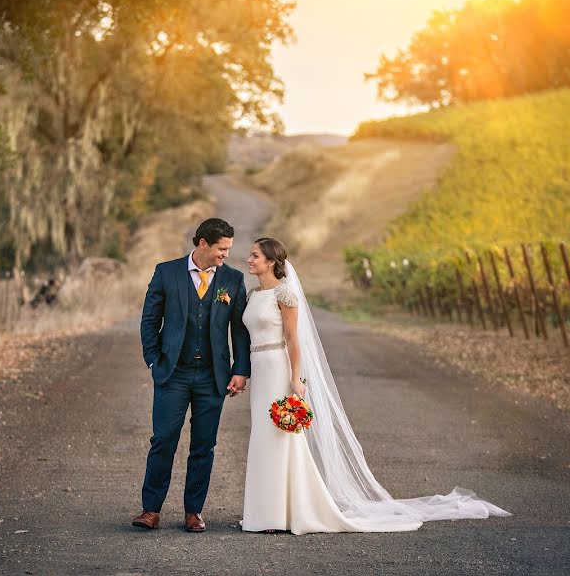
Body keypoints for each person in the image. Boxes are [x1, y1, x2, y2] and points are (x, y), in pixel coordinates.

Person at [241, 237, 512, 534]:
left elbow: (293, 339)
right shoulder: (254, 294)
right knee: (262, 435)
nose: (249, 259)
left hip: (279, 369)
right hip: (260, 370)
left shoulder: (285, 295)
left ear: (270, 261)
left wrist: (295, 377)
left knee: (282, 437)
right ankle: (264, 511)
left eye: (255, 255)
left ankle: (284, 513)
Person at [133, 218, 252, 533]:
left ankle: (194, 512)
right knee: (163, 440)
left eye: (228, 249)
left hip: (212, 377)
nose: (225, 255)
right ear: (202, 244)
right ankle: (151, 509)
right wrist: (153, 361)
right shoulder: (166, 272)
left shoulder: (233, 280)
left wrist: (241, 370)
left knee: (204, 445)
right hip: (173, 374)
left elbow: (239, 330)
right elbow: (149, 320)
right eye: (221, 249)